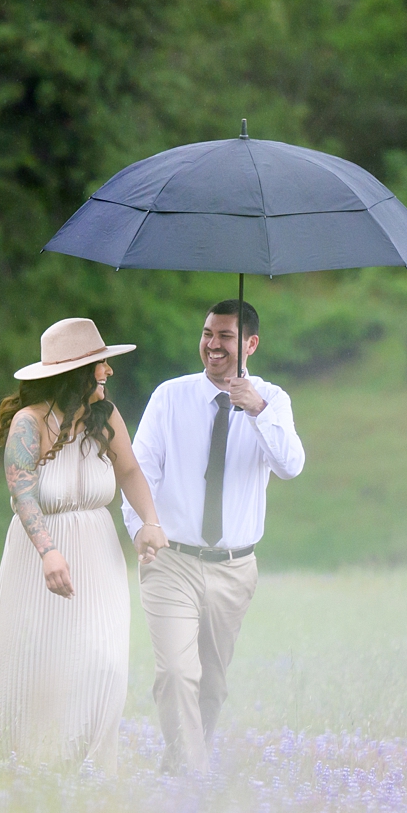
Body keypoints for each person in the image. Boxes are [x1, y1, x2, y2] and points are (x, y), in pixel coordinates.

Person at [0, 317, 168, 771]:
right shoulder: (29, 423)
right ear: (77, 372)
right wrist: (48, 551)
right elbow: (21, 491)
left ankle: (87, 766)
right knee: (35, 665)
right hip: (39, 557)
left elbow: (131, 472)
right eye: (101, 365)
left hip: (98, 556)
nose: (109, 372)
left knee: (104, 662)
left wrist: (150, 522)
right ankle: (26, 767)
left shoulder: (106, 416)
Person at [122, 299, 305, 772]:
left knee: (212, 686)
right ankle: (195, 779)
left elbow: (290, 466)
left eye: (225, 336)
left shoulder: (273, 400)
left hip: (234, 568)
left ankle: (178, 769)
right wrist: (142, 525)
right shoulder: (170, 397)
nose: (212, 345)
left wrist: (257, 410)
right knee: (177, 673)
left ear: (251, 344)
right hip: (172, 560)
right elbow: (138, 472)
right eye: (207, 333)